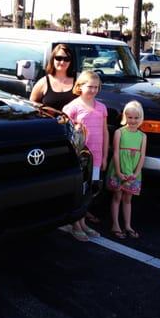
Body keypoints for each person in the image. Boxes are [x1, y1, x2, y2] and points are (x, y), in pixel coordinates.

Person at [62, 70, 109, 242]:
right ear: (80, 86)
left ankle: (82, 222)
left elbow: (104, 132)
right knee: (79, 190)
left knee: (89, 190)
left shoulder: (102, 107)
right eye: (90, 86)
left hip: (95, 157)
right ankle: (76, 224)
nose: (94, 90)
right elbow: (66, 132)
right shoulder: (72, 107)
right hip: (79, 157)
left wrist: (104, 156)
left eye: (97, 87)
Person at [106, 100, 147, 239]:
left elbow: (142, 156)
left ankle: (128, 225)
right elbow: (116, 153)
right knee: (117, 196)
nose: (133, 121)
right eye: (130, 117)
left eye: (136, 118)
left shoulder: (142, 136)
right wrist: (118, 172)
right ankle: (115, 225)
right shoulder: (119, 132)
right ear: (125, 117)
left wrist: (136, 173)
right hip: (120, 169)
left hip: (133, 172)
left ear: (140, 118)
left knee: (128, 199)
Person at [29, 43, 77, 111]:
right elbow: (31, 105)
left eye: (67, 59)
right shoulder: (43, 82)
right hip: (48, 121)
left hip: (71, 121)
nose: (62, 62)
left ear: (71, 61)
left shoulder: (78, 82)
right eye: (59, 58)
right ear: (52, 59)